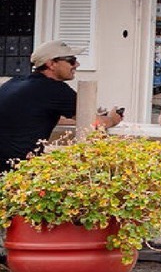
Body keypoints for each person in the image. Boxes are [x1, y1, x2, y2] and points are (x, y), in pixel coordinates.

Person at [0, 40, 125, 175]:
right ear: (51, 64)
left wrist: (72, 120)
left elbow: (36, 116)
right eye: (71, 60)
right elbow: (93, 122)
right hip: (16, 173)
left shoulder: (13, 83)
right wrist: (112, 118)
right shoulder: (55, 89)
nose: (77, 64)